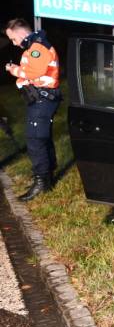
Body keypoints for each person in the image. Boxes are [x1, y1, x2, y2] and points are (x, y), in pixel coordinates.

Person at [4, 18, 61, 201]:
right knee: (41, 136)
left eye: (13, 39)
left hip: (43, 99)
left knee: (34, 138)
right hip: (40, 98)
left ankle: (41, 182)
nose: (14, 43)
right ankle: (47, 177)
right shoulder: (34, 47)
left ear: (21, 34)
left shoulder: (37, 47)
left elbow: (33, 72)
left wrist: (14, 70)